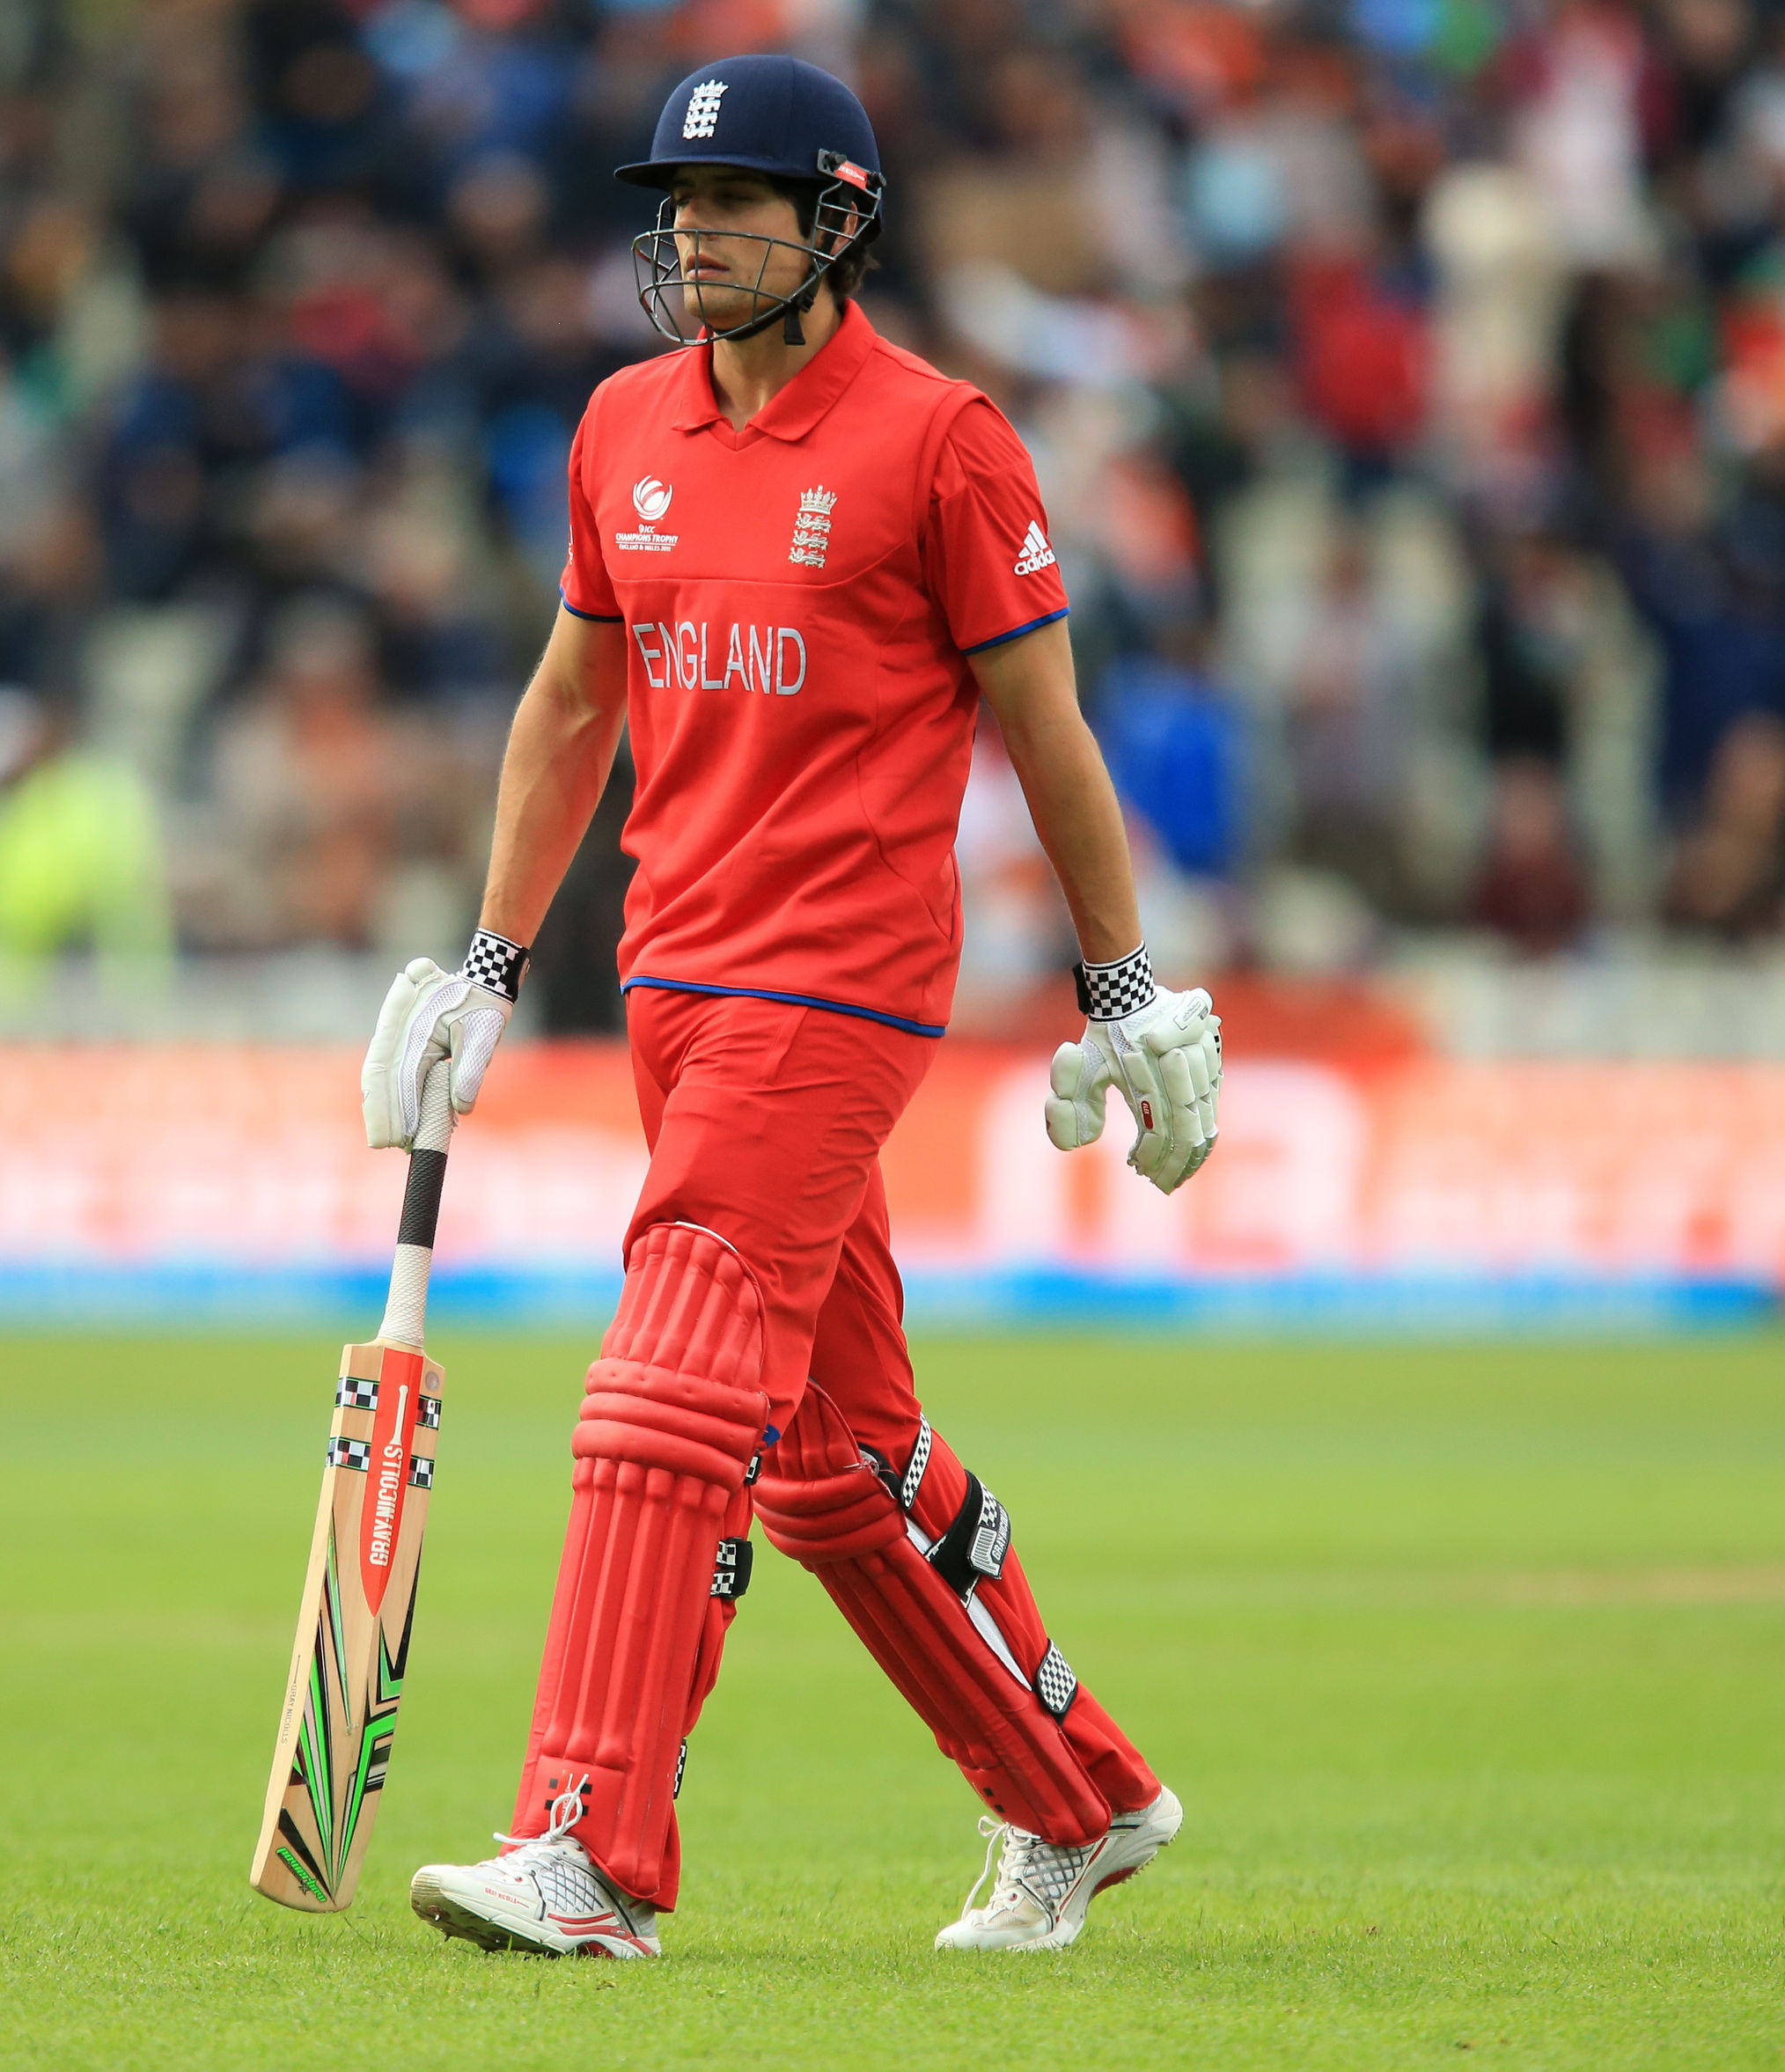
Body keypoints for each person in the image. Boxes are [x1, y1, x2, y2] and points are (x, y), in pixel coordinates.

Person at [358, 55, 1224, 1962]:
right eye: (678, 203)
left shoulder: (942, 440)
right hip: (671, 973)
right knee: (832, 1455)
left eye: (737, 201)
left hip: (837, 981)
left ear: (838, 221)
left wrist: (1122, 982)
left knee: (667, 1380)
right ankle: (1075, 1794)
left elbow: (1047, 730)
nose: (695, 233)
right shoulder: (620, 425)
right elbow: (571, 703)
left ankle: (587, 1849)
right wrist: (493, 958)